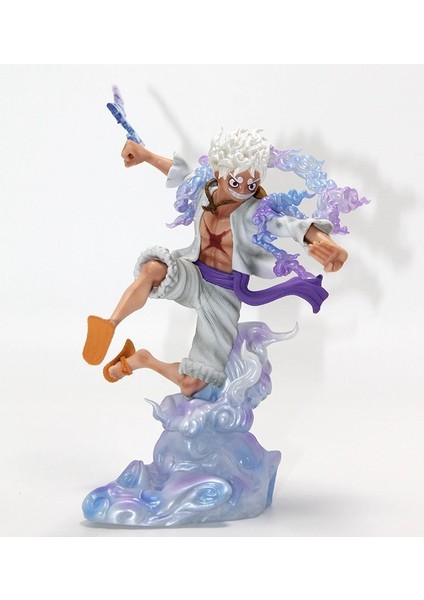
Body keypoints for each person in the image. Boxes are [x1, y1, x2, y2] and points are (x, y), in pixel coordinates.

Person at [83, 129, 348, 396]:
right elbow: (180, 175)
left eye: (251, 185)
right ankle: (110, 324)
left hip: (223, 294)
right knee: (154, 268)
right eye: (235, 182)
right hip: (193, 273)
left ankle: (142, 360)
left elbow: (291, 225)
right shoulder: (204, 192)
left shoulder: (256, 213)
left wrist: (326, 244)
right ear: (219, 172)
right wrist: (145, 155)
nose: (243, 191)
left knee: (191, 385)